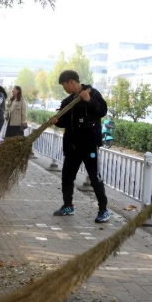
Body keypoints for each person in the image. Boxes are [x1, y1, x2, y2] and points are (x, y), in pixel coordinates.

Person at [51, 70, 110, 224]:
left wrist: (89, 100)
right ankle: (68, 206)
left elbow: (102, 111)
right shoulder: (67, 101)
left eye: (64, 85)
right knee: (67, 177)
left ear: (71, 81)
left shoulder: (92, 93)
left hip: (89, 145)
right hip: (72, 146)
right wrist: (57, 122)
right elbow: (64, 122)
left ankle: (103, 210)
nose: (64, 88)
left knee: (94, 177)